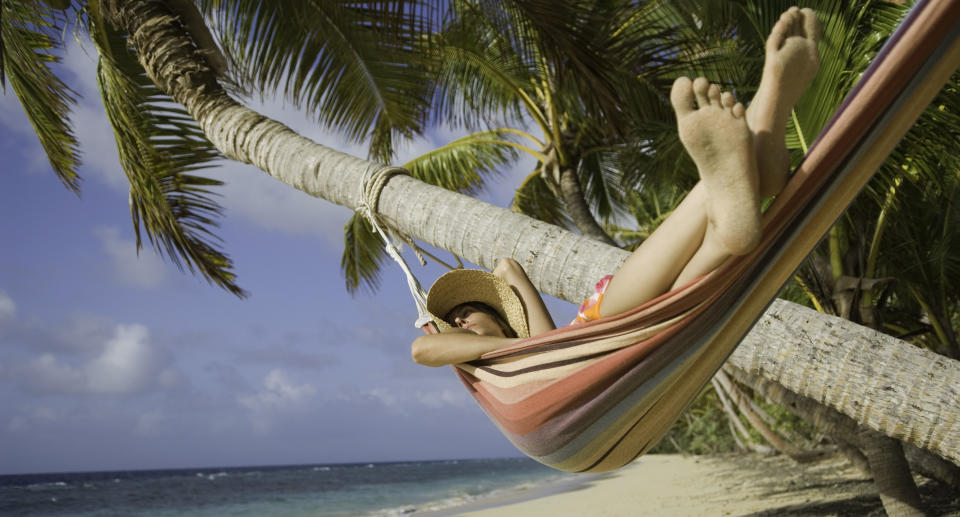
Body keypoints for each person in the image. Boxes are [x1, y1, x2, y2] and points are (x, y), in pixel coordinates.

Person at [412, 7, 821, 367]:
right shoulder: (509, 368)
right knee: (717, 248)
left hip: (604, 326)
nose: (460, 323)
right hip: (649, 344)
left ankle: (762, 124)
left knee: (721, 240)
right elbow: (421, 351)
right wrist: (459, 335)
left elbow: (508, 269)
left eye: (465, 313)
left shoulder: (538, 344)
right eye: (456, 323)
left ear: (500, 317)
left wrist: (490, 325)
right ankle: (751, 155)